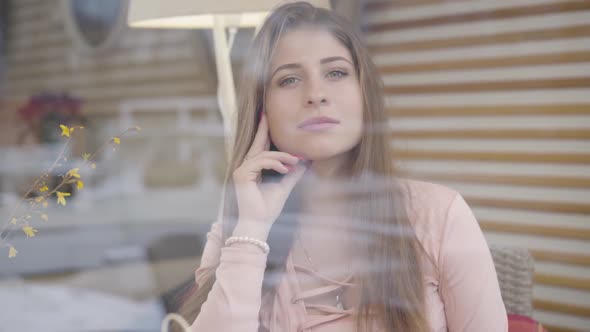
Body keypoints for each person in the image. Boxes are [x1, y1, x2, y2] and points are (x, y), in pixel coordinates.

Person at [176, 1, 508, 331]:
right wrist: (251, 229)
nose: (316, 94)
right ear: (263, 108)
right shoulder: (239, 226)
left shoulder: (439, 215)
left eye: (336, 72)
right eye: (289, 79)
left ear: (365, 93)